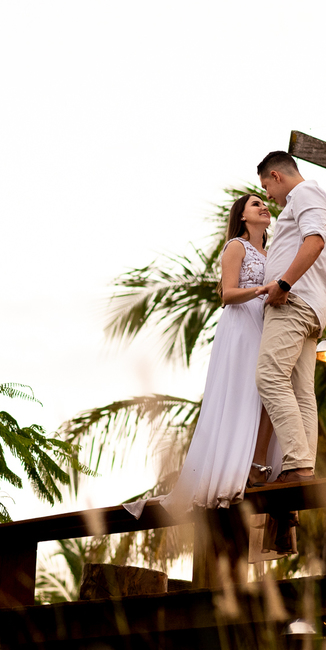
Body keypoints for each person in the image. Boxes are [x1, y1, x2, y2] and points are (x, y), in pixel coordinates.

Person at [123, 194, 282, 519]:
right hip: (242, 324)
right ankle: (235, 468)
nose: (264, 207)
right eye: (256, 204)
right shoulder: (236, 247)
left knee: (267, 392)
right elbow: (226, 294)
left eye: (264, 204)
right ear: (242, 216)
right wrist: (262, 290)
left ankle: (257, 463)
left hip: (268, 323)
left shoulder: (273, 250)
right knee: (245, 391)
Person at [254, 151, 326, 484]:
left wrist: (284, 284)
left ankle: (298, 465)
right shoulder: (303, 199)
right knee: (301, 389)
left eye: (266, 187)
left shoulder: (305, 193)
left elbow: (314, 241)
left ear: (276, 175)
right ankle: (303, 469)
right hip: (309, 306)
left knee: (269, 376)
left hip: (295, 302)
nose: (268, 197)